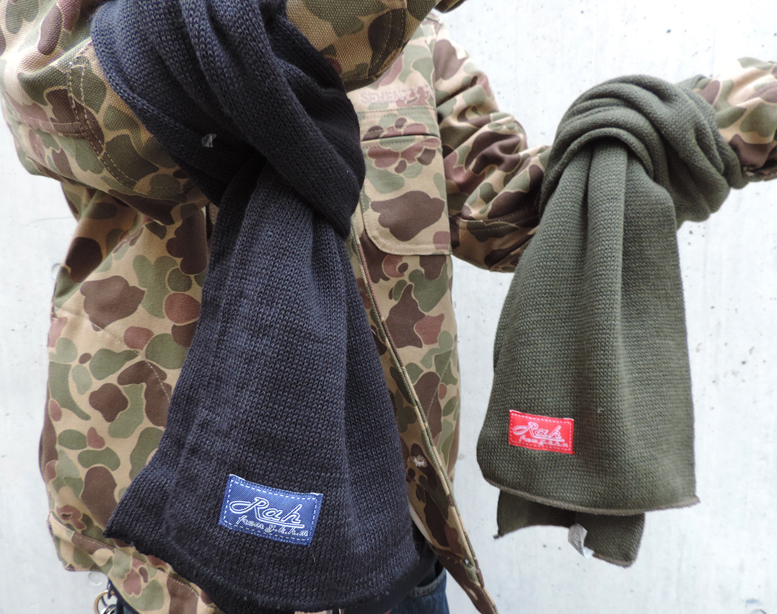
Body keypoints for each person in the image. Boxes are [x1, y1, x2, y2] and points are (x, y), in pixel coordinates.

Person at [2, 0, 776, 611]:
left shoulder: (417, 49)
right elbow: (91, 116)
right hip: (182, 569)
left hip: (393, 548)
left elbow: (511, 214)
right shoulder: (77, 25)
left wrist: (707, 125)